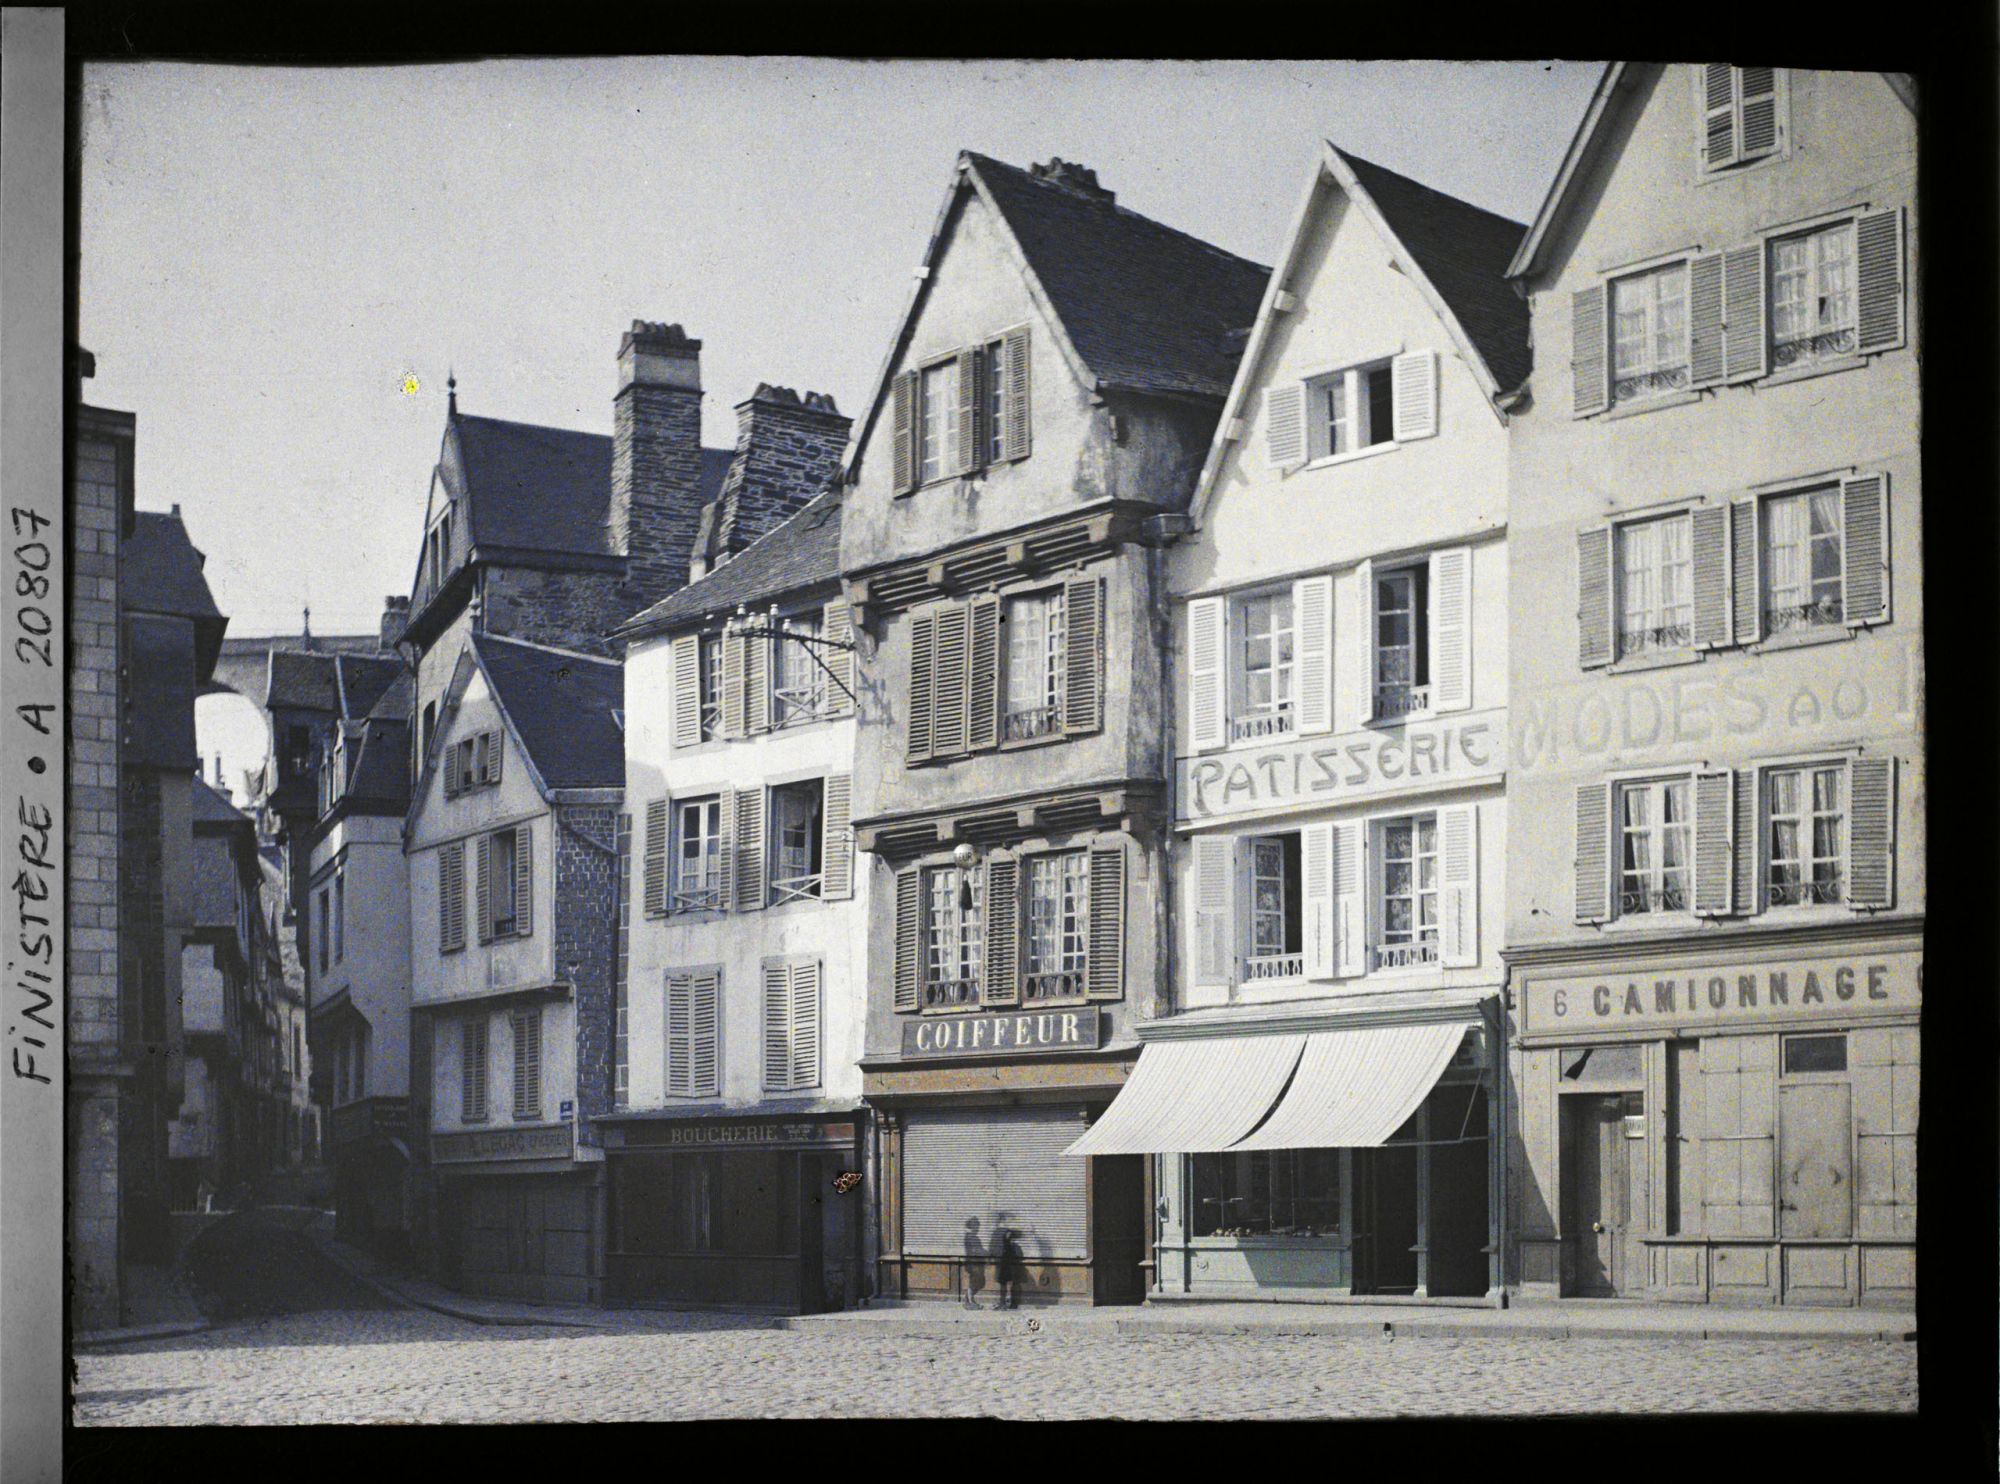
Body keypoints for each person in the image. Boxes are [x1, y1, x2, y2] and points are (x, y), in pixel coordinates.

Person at [960, 1217, 986, 1310]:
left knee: (979, 1282)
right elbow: (976, 1250)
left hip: (975, 1263)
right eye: (977, 1226)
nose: (978, 1228)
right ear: (972, 1226)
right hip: (974, 1264)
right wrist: (986, 1253)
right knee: (975, 1282)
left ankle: (969, 1300)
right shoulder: (971, 1237)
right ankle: (969, 1302)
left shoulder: (970, 1237)